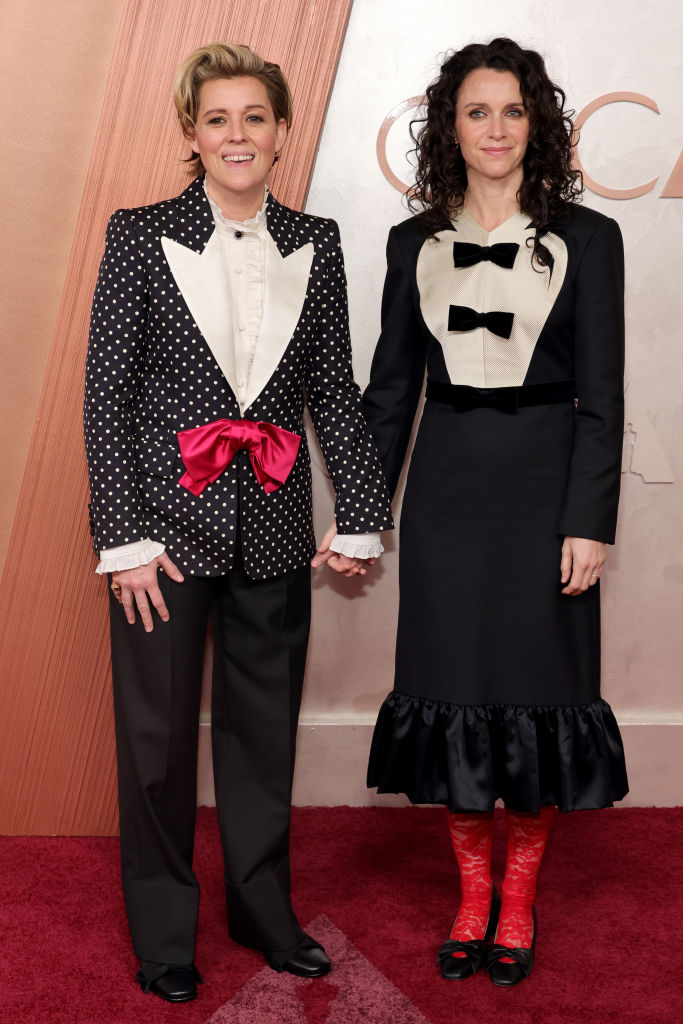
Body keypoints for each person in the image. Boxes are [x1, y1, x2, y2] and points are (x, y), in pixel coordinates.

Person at [84, 42, 393, 1003]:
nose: (236, 135)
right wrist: (123, 539)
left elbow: (333, 396)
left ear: (280, 127)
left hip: (270, 526)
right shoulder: (139, 234)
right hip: (160, 544)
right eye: (217, 118)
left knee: (262, 737)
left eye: (253, 117)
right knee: (158, 744)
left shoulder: (320, 240)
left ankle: (263, 911)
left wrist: (362, 514)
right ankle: (164, 930)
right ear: (192, 131)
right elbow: (108, 399)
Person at [362, 37, 628, 986]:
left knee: (539, 694)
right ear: (450, 126)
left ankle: (516, 901)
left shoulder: (590, 238)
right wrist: (363, 513)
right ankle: (470, 895)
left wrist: (588, 520)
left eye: (512, 110)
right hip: (443, 494)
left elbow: (604, 395)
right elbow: (390, 395)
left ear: (537, 123)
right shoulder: (410, 243)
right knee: (455, 694)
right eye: (477, 111)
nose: (495, 129)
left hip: (544, 488)